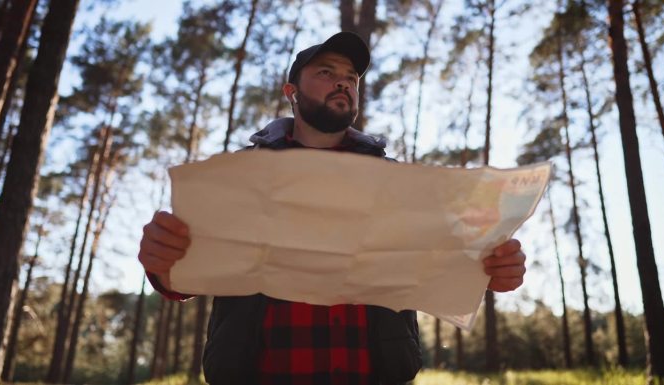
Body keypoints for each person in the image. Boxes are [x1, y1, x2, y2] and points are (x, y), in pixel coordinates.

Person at [138, 32, 527, 385]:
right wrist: (163, 265)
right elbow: (186, 271)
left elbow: (443, 257)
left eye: (352, 77)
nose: (344, 81)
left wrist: (490, 269)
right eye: (326, 72)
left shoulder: (397, 182)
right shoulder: (239, 173)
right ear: (291, 91)